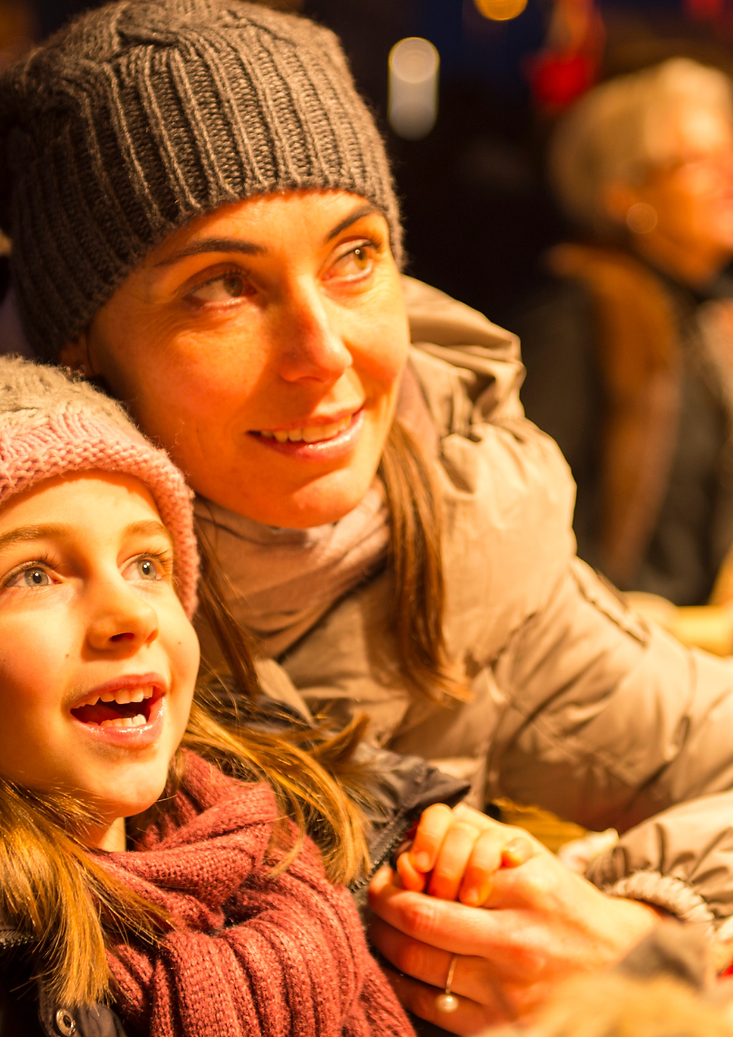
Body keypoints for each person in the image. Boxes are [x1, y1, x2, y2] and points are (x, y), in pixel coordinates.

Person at [0, 0, 733, 1031]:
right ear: (81, 346)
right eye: (221, 286)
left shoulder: (468, 550)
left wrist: (631, 922)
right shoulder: (60, 636)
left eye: (353, 256)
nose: (325, 352)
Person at [0, 354, 552, 1036]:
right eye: (31, 574)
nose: (132, 616)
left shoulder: (309, 808)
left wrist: (464, 850)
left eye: (146, 564)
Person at [515, 59, 733, 605]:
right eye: (697, 160)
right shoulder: (579, 316)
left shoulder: (694, 313)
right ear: (625, 194)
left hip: (690, 639)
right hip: (615, 652)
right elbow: (528, 526)